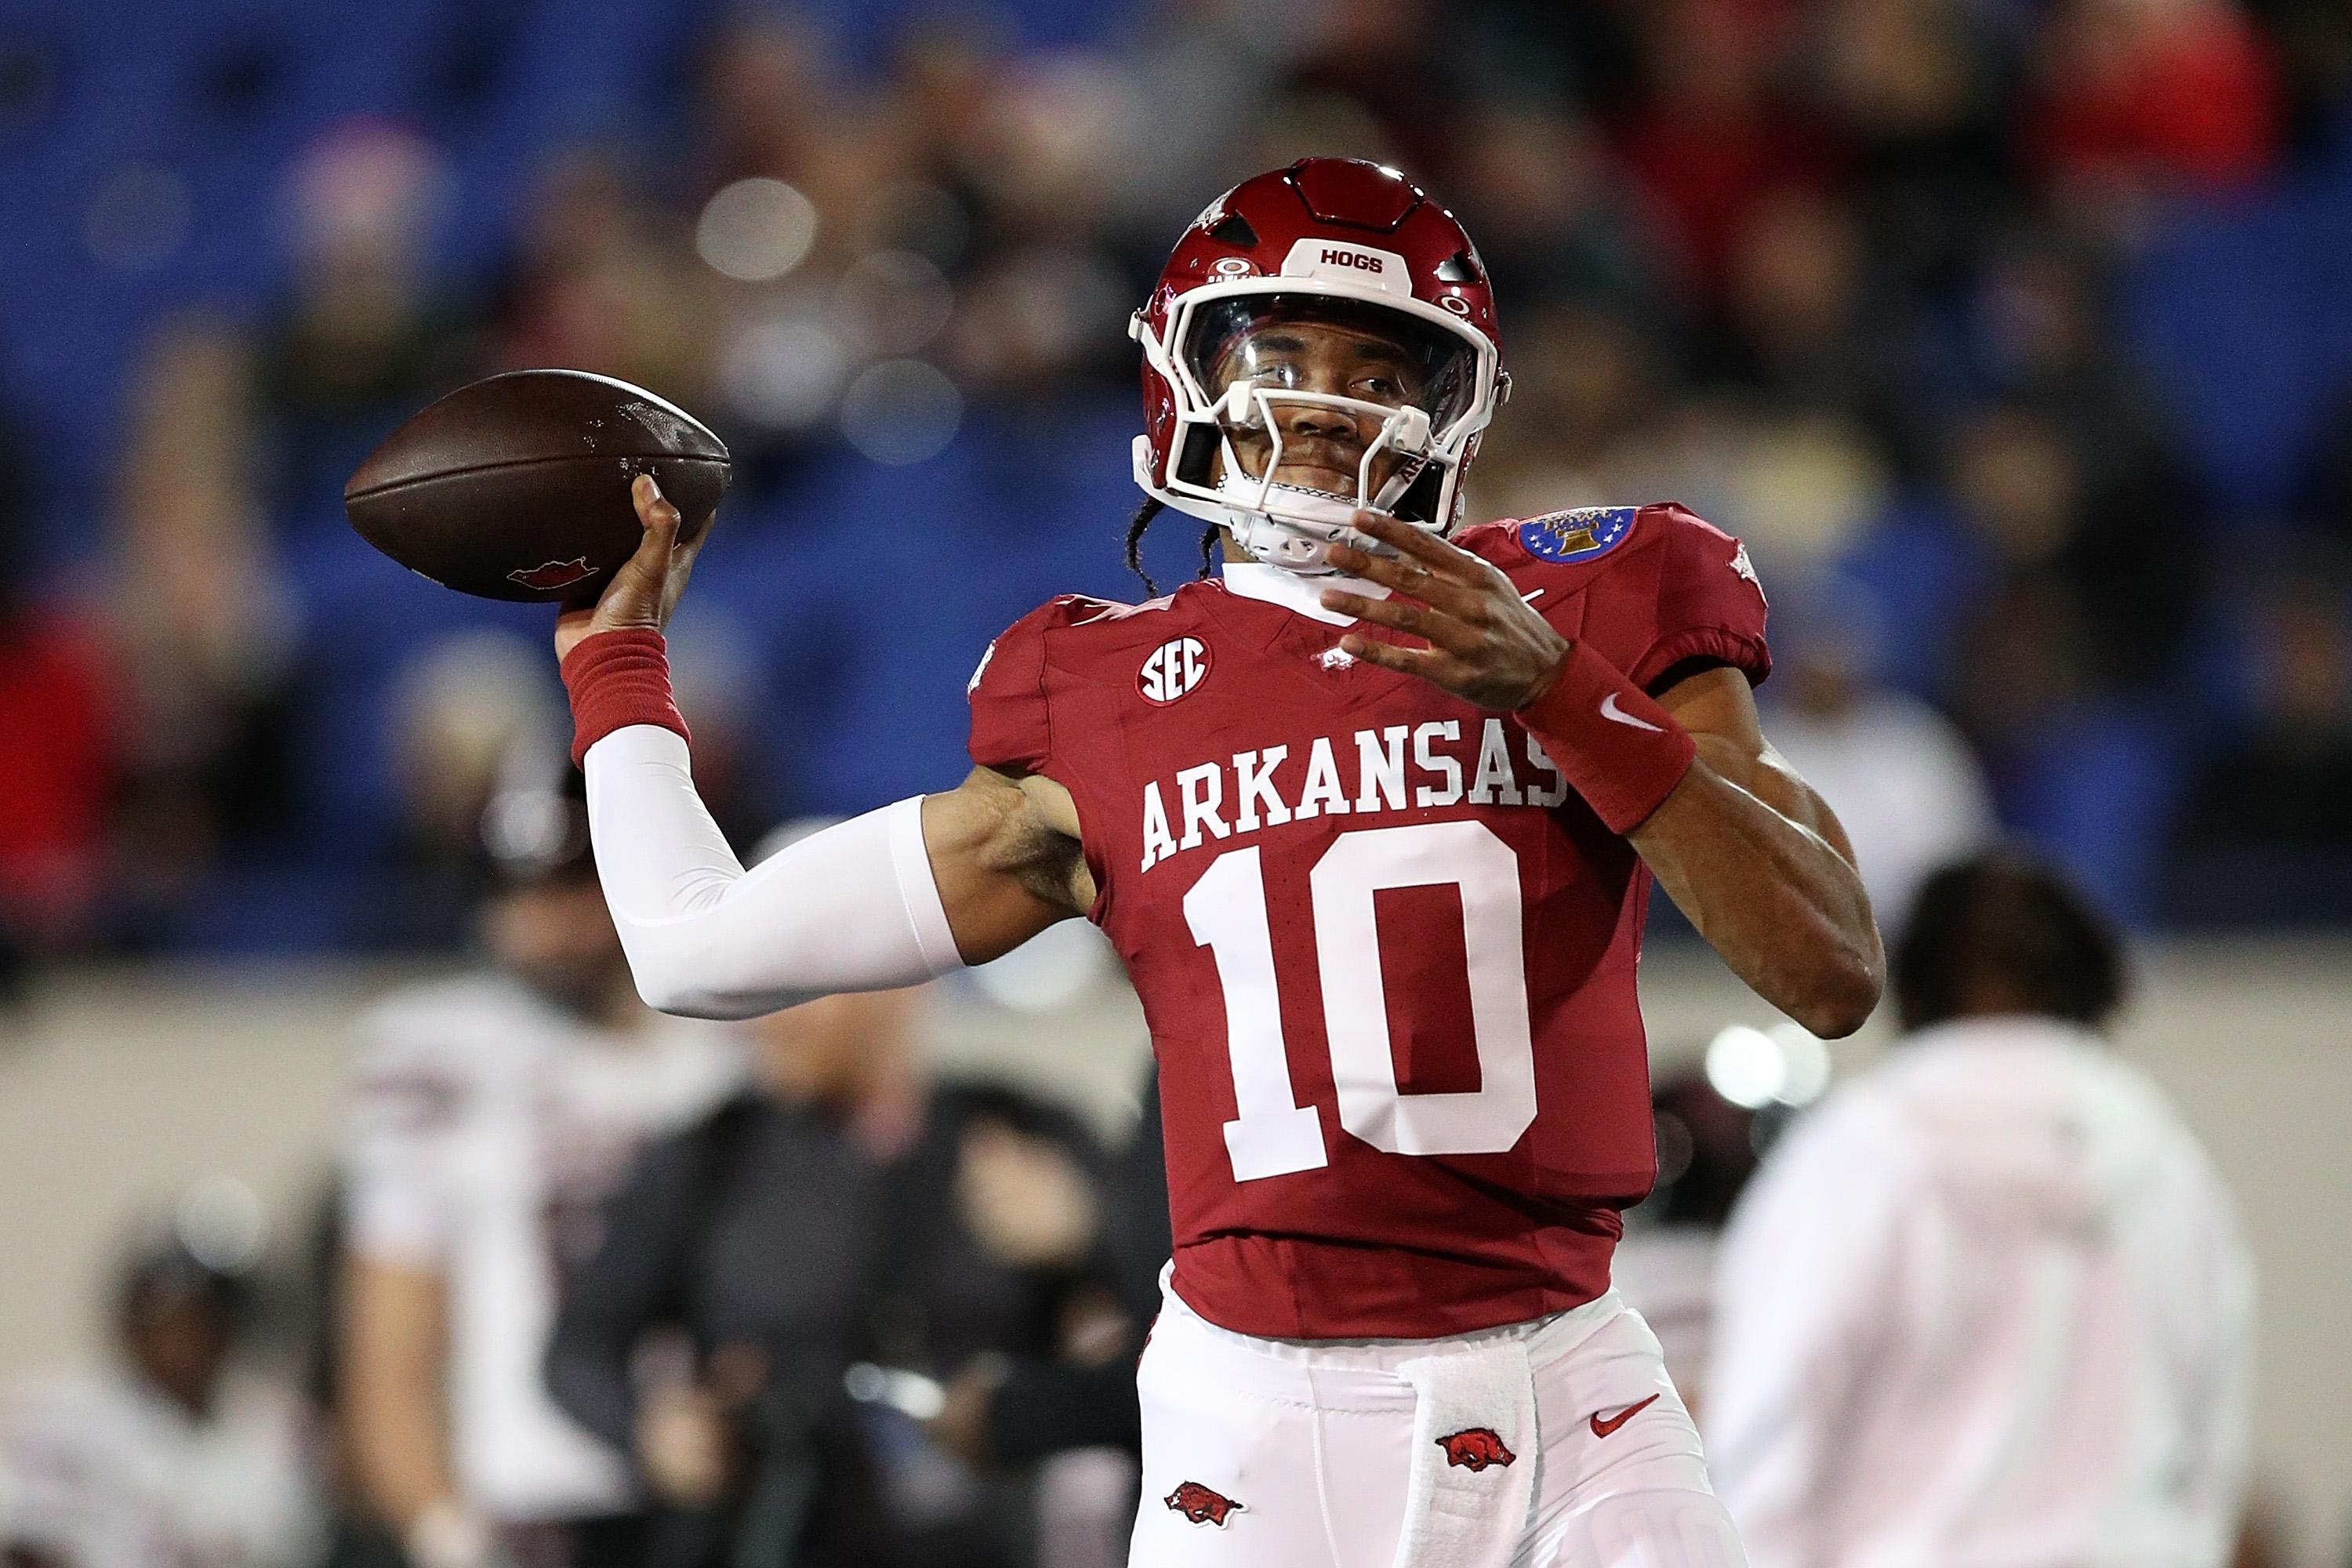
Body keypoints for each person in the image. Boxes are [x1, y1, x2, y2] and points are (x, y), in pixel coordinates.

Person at [553, 158, 1882, 1568]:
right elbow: (693, 949)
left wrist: (1558, 688)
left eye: (1377, 366)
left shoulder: (1594, 595)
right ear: (1183, 374)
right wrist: (618, 667)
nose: (1320, 401)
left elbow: (1832, 967)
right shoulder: (1098, 691)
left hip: (1566, 1381)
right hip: (1255, 1417)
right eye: (1281, 352)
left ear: (1455, 406)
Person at [1704, 851, 2254, 1568]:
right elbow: (2211, 1450)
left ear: (1913, 984)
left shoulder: (1855, 1156)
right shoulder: (2169, 1164)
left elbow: (1769, 1430)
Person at [336, 771, 742, 1568]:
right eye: (518, 891)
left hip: (712, 1503)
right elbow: (389, 1345)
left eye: (572, 883)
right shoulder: (434, 1049)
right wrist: (441, 1530)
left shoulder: (730, 1045)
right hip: (530, 1511)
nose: (545, 922)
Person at [0, 1228, 321, 1568]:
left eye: (204, 1314)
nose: (183, 1335)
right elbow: (27, 1548)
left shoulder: (279, 1436)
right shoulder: (55, 1418)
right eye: (163, 1311)